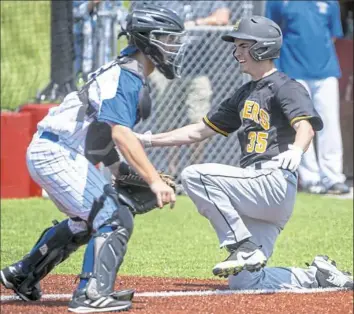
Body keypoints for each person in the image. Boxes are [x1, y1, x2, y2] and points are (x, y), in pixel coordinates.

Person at [134, 16, 353, 291]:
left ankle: (241, 245)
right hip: (256, 193)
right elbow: (198, 131)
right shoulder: (244, 93)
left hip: (271, 182)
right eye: (236, 46)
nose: (236, 52)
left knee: (194, 175)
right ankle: (318, 275)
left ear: (262, 48)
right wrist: (147, 140)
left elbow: (305, 127)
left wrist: (297, 150)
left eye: (242, 46)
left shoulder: (286, 86)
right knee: (245, 282)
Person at [0, 4, 185, 313]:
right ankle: (91, 295)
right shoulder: (127, 76)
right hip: (56, 152)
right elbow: (120, 135)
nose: (174, 46)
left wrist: (119, 172)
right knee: (113, 217)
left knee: (86, 222)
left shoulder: (128, 72)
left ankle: (24, 273)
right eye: (167, 39)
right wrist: (153, 180)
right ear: (146, 40)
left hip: (58, 149)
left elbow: (98, 140)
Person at [131, 1, 231, 175]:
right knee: (169, 122)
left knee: (200, 121)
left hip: (199, 69)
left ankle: (194, 171)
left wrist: (195, 24)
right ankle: (172, 173)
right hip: (167, 69)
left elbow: (222, 18)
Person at [266, 0, 350, 195]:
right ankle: (311, 178)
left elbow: (332, 36)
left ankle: (333, 178)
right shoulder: (278, 2)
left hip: (326, 71)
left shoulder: (330, 3)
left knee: (330, 125)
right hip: (293, 71)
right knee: (301, 124)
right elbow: (271, 33)